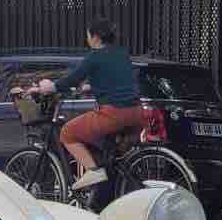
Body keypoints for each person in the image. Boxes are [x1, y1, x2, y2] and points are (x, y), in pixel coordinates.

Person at [36, 17, 146, 189]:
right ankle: (110, 190)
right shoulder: (122, 54)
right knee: (113, 159)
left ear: (96, 37)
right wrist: (91, 87)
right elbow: (117, 82)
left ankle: (93, 171)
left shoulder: (94, 57)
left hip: (114, 115)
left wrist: (50, 87)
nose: (87, 40)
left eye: (88, 36)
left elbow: (72, 79)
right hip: (138, 115)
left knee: (67, 133)